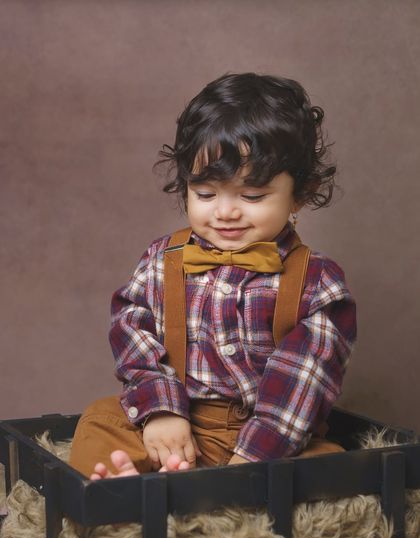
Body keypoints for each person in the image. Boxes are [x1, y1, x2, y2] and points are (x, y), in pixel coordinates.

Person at [69, 73, 357, 480]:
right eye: (206, 194)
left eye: (252, 196)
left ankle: (220, 495)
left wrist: (251, 460)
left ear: (300, 194)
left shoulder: (317, 282)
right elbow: (131, 330)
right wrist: (161, 410)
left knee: (330, 467)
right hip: (179, 421)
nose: (224, 212)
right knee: (100, 419)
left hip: (270, 433)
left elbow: (304, 382)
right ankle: (123, 490)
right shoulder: (164, 259)